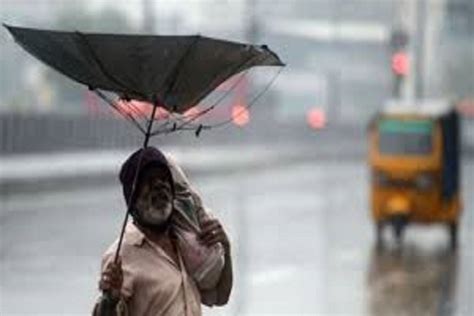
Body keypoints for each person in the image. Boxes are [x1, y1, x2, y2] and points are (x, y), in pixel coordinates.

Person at [92, 147, 233, 316]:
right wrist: (110, 300)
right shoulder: (120, 255)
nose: (159, 186)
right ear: (132, 200)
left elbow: (220, 297)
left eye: (164, 179)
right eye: (149, 181)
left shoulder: (185, 243)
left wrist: (226, 248)